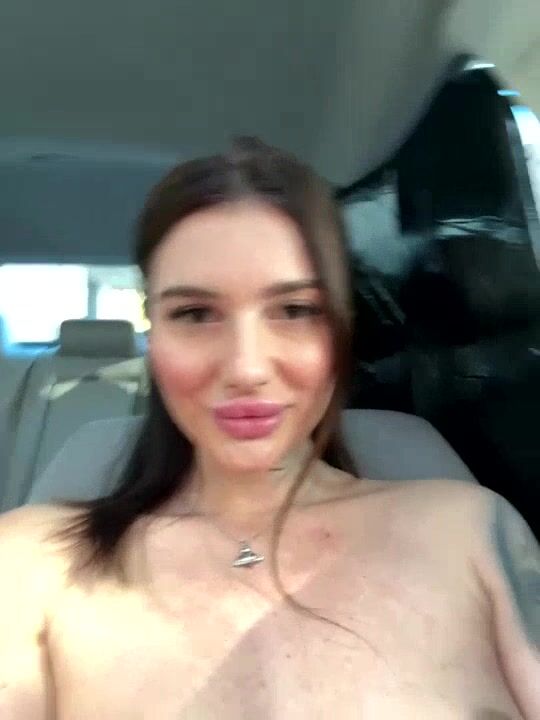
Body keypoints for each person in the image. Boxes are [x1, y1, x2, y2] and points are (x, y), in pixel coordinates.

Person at [0, 138, 538, 719]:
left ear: (341, 330)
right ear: (153, 334)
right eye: (195, 314)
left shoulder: (471, 532)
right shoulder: (33, 563)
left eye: (295, 310)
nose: (246, 368)